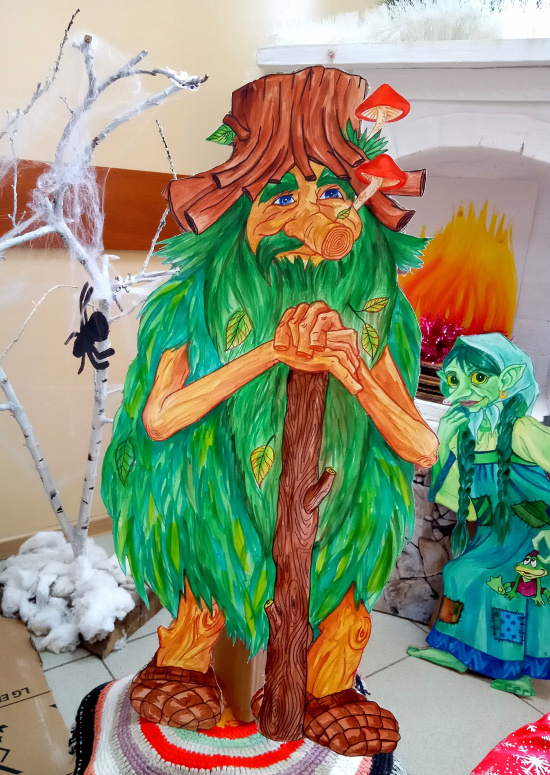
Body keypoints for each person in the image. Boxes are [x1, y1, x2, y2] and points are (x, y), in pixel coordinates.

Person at [408, 333, 550, 697]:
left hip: (535, 534)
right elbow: (457, 487)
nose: (465, 390)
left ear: (508, 379)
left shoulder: (520, 429)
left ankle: (515, 670)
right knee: (458, 573)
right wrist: (445, 439)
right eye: (455, 379)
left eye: (479, 378)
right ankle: (453, 648)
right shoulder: (466, 433)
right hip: (497, 533)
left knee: (506, 590)